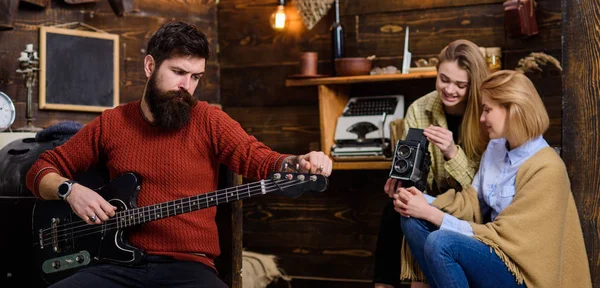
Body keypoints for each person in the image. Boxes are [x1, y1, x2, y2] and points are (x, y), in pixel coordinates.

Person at [25, 21, 332, 288]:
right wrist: (70, 190)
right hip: (116, 266)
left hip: (189, 268)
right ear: (150, 66)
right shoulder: (112, 123)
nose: (187, 86)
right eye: (178, 72)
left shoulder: (210, 120)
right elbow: (40, 170)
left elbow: (259, 158)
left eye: (196, 77)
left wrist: (298, 163)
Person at [394, 70, 591, 288]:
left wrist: (432, 213)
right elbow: (472, 201)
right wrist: (421, 200)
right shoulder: (496, 147)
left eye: (487, 109)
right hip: (492, 252)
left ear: (513, 110)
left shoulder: (547, 168)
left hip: (521, 270)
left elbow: (507, 236)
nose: (482, 118)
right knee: (412, 221)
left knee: (442, 243)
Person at [373, 39, 489, 288]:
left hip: (470, 206)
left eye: (461, 85)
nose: (449, 90)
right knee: (393, 210)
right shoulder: (420, 109)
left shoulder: (484, 116)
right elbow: (413, 168)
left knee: (417, 217)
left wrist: (451, 153)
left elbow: (481, 191)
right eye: (443, 79)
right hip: (431, 197)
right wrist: (400, 180)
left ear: (474, 85)